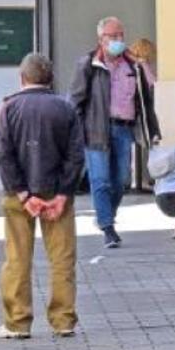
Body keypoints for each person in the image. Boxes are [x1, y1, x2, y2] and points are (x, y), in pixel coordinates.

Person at [0, 53, 84, 339]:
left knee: (17, 258)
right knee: (62, 259)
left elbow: (4, 156)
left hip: (18, 197)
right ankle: (63, 319)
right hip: (57, 194)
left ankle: (17, 322)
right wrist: (62, 194)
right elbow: (75, 156)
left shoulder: (9, 108)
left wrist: (23, 195)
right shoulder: (66, 108)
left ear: (22, 78)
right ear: (51, 78)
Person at [69, 16, 161, 249]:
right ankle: (108, 227)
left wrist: (153, 130)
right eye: (113, 36)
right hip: (96, 129)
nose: (119, 39)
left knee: (121, 180)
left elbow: (146, 100)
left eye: (121, 35)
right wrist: (76, 133)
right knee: (100, 180)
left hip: (124, 129)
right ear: (101, 39)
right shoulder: (89, 64)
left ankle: (104, 214)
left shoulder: (134, 66)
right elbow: (76, 101)